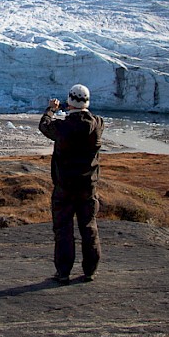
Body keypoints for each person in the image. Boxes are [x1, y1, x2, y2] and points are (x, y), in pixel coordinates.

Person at [38, 84, 104, 284]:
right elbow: (85, 119)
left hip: (65, 187)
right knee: (89, 227)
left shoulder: (63, 127)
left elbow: (44, 125)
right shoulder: (98, 124)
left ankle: (64, 272)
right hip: (88, 187)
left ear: (69, 102)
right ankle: (90, 270)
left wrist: (51, 109)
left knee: (64, 230)